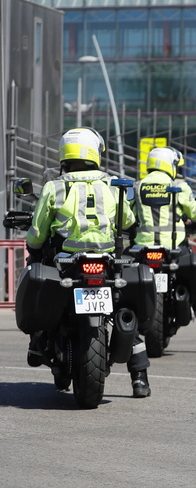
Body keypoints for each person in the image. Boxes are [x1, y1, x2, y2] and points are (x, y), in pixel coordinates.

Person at [25, 128, 151, 397]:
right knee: (124, 309)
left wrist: (34, 249)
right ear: (95, 151)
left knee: (40, 287)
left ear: (64, 152)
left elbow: (37, 231)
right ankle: (139, 378)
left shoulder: (55, 186)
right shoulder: (111, 184)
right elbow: (128, 222)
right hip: (106, 260)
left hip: (67, 260)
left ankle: (38, 342)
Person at [132, 147, 196, 354]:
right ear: (170, 165)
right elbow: (194, 212)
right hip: (175, 249)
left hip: (144, 249)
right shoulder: (178, 186)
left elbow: (129, 215)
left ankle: (129, 338)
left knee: (129, 289)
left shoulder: (138, 186)